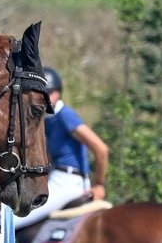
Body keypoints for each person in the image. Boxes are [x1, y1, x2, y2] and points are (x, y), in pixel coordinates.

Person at [14, 66, 109, 229]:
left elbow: (101, 149)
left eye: (48, 94)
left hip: (68, 181)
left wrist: (99, 184)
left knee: (11, 218)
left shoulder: (65, 116)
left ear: (58, 93)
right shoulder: (47, 119)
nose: (43, 99)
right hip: (55, 177)